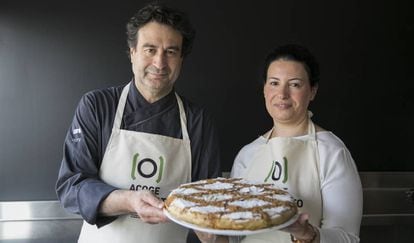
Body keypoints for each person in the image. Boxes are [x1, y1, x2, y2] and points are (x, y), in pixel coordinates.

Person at [55, 2, 221, 243]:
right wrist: (127, 200)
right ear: (132, 52)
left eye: (171, 52)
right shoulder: (98, 106)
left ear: (182, 59)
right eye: (150, 49)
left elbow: (207, 205)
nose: (160, 63)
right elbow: (71, 186)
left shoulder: (197, 120)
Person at [197, 44, 362, 243]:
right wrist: (212, 238)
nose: (282, 94)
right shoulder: (248, 155)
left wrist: (308, 234)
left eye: (294, 84)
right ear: (265, 90)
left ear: (312, 91)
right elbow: (235, 237)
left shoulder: (332, 151)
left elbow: (348, 238)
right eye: (274, 83)